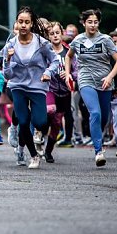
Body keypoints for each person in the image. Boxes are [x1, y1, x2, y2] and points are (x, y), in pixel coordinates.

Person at [64, 9, 117, 167]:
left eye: (95, 22)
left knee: (103, 118)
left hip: (105, 81)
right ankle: (98, 151)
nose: (92, 25)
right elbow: (68, 56)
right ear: (83, 23)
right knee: (94, 113)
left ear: (99, 23)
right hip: (85, 80)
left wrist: (110, 76)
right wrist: (68, 73)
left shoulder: (105, 40)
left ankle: (97, 136)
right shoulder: (78, 40)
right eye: (89, 22)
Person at [2, 7, 58, 169]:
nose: (24, 25)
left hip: (37, 86)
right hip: (18, 86)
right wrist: (7, 59)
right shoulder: (11, 44)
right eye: (21, 22)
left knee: (40, 122)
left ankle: (39, 136)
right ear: (17, 24)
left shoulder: (41, 42)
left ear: (32, 23)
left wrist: (48, 72)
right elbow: (8, 75)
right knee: (24, 122)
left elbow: (55, 61)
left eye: (27, 22)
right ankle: (33, 155)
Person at [43, 22, 70, 162]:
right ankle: (40, 131)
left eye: (57, 33)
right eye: (51, 33)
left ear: (62, 33)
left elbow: (76, 70)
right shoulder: (46, 51)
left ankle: (48, 151)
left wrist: (70, 75)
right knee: (50, 110)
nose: (55, 36)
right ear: (48, 36)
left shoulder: (69, 52)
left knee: (57, 123)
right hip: (49, 89)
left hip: (65, 92)